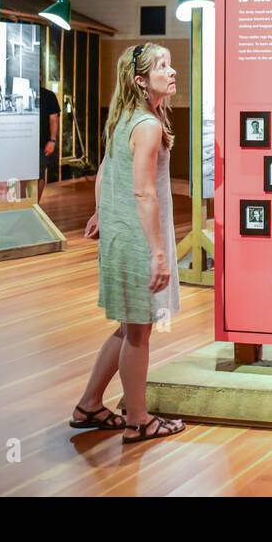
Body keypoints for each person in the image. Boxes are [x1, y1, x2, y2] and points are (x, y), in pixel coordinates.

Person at [76, 43, 185, 443]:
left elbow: (104, 169)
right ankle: (139, 420)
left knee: (127, 328)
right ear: (140, 80)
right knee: (139, 332)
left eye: (169, 64)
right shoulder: (148, 125)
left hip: (120, 232)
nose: (171, 71)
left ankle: (89, 403)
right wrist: (158, 251)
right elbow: (144, 193)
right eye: (161, 66)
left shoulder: (124, 119)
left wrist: (100, 212)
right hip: (138, 236)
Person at [38, 85, 60, 199]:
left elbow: (54, 118)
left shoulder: (48, 95)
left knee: (39, 176)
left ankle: (35, 204)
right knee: (19, 177)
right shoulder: (20, 91)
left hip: (41, 144)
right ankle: (20, 205)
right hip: (20, 143)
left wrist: (52, 140)